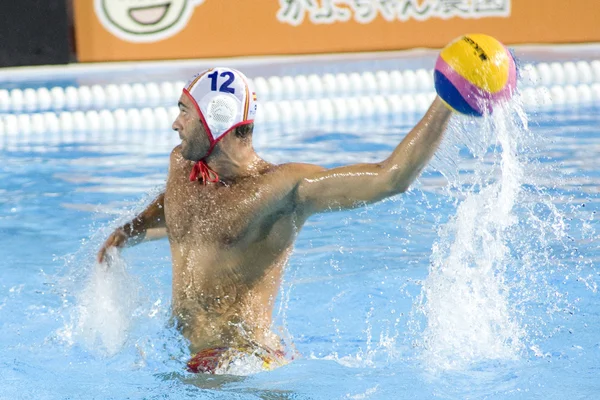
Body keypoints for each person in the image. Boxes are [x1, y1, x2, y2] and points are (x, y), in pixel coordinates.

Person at [97, 67, 452, 373]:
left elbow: (390, 178)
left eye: (185, 112)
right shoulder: (182, 164)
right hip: (181, 357)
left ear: (216, 117)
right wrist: (127, 233)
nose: (176, 123)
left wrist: (446, 99)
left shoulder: (280, 190)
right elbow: (178, 208)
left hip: (241, 365)